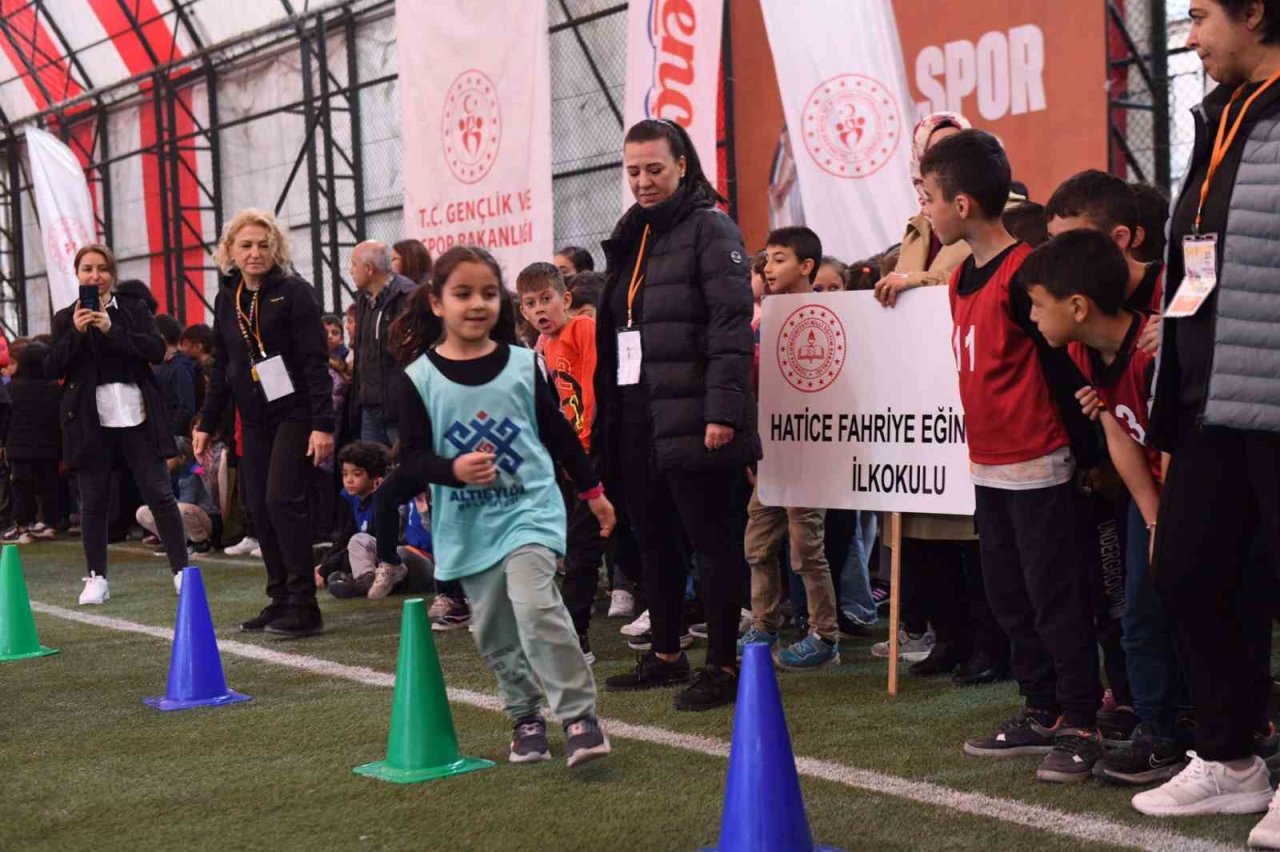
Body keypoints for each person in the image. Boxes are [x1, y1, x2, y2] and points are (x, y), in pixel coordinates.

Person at [1136, 1, 1280, 839]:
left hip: (1269, 392)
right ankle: (1230, 761)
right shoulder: (1217, 115)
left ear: (1255, 12)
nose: (1189, 37)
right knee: (1189, 571)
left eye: (1199, 17)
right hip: (1207, 394)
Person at [921, 130, 1102, 783]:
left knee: (1056, 597)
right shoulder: (959, 277)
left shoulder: (1025, 271)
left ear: (963, 204)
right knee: (1009, 595)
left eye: (929, 198)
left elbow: (1061, 365)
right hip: (987, 465)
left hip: (1039, 460)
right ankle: (1041, 708)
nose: (925, 211)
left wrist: (1090, 454)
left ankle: (1082, 719)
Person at [396, 243, 616, 766]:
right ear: (436, 303)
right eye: (463, 293)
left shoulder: (524, 365)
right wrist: (451, 470)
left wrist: (594, 492)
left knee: (537, 605)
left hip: (529, 511)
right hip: (467, 525)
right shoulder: (418, 380)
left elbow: (558, 433)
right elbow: (410, 461)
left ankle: (580, 716)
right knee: (493, 625)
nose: (477, 304)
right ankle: (524, 715)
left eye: (489, 294)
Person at [596, 118, 759, 712]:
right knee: (655, 538)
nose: (642, 181)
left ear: (683, 165)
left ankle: (722, 664)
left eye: (654, 169)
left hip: (698, 415)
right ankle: (666, 653)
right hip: (640, 413)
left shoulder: (711, 229)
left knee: (711, 542)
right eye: (634, 170)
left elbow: (730, 327)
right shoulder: (634, 233)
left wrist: (723, 412)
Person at [1021, 229, 1185, 786]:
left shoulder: (1153, 357)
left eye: (1039, 304)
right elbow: (1121, 433)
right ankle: (1159, 729)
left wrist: (1166, 517)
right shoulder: (1082, 352)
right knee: (1138, 613)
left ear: (1077, 306)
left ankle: (1219, 724)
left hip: (1192, 492)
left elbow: (1172, 444)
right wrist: (1151, 515)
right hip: (1155, 497)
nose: (1032, 315)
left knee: (1196, 611)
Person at [872, 111, 1008, 687]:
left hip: (967, 395)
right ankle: (950, 638)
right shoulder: (913, 227)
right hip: (920, 398)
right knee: (927, 534)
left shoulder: (1005, 216)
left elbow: (963, 280)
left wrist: (912, 286)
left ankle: (989, 642)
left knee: (975, 536)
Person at [194, 209, 335, 638]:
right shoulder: (227, 298)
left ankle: (305, 606)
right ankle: (279, 601)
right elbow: (222, 366)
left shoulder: (295, 294)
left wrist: (323, 424)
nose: (255, 253)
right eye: (246, 245)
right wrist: (206, 420)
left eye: (263, 245)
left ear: (277, 249)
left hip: (295, 414)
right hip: (251, 418)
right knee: (256, 504)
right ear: (230, 252)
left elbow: (315, 363)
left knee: (280, 499)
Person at [48, 244, 190, 604]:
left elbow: (155, 351)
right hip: (89, 420)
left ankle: (181, 571)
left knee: (159, 493)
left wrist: (112, 329)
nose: (95, 276)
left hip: (136, 413)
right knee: (93, 501)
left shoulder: (133, 309)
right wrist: (77, 334)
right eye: (87, 269)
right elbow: (52, 367)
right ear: (77, 275)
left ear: (112, 273)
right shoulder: (66, 317)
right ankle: (96, 577)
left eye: (102, 269)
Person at [737, 226, 840, 670]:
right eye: (767, 258)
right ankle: (764, 622)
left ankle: (825, 635)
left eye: (779, 257)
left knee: (806, 550)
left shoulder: (829, 317)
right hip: (770, 454)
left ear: (806, 267)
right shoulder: (763, 323)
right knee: (758, 544)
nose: (767, 266)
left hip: (808, 455)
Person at [516, 262, 607, 662]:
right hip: (573, 460)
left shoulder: (582, 330)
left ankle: (577, 638)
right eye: (530, 303)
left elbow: (591, 387)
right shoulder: (541, 348)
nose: (540, 310)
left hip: (596, 453)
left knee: (585, 547)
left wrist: (582, 445)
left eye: (547, 299)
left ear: (565, 299)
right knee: (584, 545)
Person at [349, 241, 416, 446]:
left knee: (405, 470)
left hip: (399, 412)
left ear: (369, 269)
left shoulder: (407, 296)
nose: (350, 271)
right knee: (371, 472)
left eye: (353, 264)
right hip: (369, 408)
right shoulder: (363, 300)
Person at [317, 440, 393, 599]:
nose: (349, 480)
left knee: (350, 553)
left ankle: (362, 582)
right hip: (367, 552)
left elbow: (376, 540)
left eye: (357, 474)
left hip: (392, 557)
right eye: (345, 474)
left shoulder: (384, 502)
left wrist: (325, 570)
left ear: (377, 479)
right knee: (324, 554)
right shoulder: (354, 499)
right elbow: (344, 536)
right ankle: (355, 579)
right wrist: (323, 567)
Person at [2, 342, 62, 543]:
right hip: (50, 448)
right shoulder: (54, 389)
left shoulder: (11, 388)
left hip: (19, 449)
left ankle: (22, 525)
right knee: (49, 486)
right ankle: (49, 523)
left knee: (21, 487)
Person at [137, 436, 217, 556]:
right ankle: (172, 541)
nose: (164, 460)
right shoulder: (166, 474)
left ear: (182, 458)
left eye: (168, 457)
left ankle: (201, 543)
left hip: (205, 519)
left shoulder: (193, 471)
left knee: (180, 509)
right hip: (180, 516)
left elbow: (186, 502)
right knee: (143, 512)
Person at [153, 314, 198, 437]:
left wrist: (170, 435)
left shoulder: (180, 367)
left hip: (174, 439)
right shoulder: (161, 365)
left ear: (161, 338)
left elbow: (187, 407)